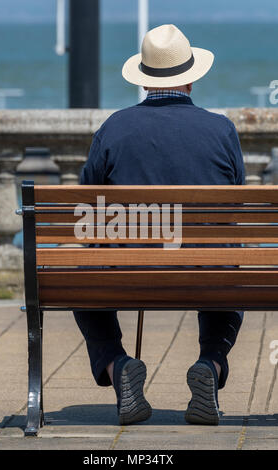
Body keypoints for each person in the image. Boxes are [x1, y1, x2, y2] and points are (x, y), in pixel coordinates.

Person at [73, 24, 245, 426]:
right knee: (228, 263)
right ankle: (211, 364)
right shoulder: (221, 129)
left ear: (146, 78)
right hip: (206, 272)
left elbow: (86, 203)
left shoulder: (114, 127)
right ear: (190, 76)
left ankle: (117, 365)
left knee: (80, 279)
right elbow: (235, 202)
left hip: (127, 271)